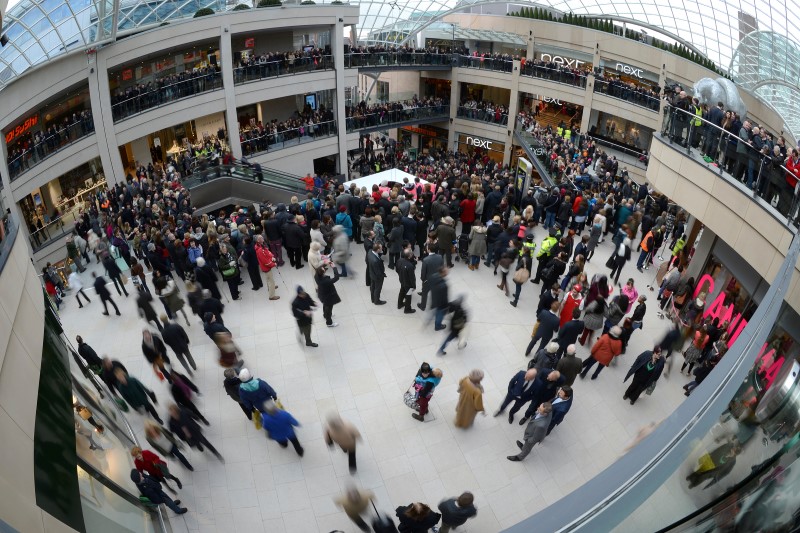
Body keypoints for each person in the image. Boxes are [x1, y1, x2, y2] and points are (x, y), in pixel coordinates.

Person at [417, 243, 443, 311]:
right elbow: (441, 269)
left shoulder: (426, 260)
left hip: (428, 281)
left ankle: (423, 306)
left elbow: (423, 272)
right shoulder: (440, 257)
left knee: (424, 293)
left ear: (428, 250)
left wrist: (423, 280)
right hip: (437, 279)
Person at [254, 235, 280, 301]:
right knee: (271, 281)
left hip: (266, 267)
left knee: (268, 279)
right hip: (266, 267)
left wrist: (272, 257)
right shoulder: (259, 250)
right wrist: (274, 264)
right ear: (258, 241)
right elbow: (265, 262)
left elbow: (267, 252)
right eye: (261, 238)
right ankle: (271, 296)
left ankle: (271, 287)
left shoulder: (261, 245)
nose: (263, 238)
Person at [396, 248, 417, 313]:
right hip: (408, 284)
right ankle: (407, 309)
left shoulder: (399, 260)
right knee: (408, 296)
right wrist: (414, 286)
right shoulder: (410, 266)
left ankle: (400, 304)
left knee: (402, 291)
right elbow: (412, 278)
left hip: (402, 280)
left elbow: (397, 270)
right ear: (409, 256)